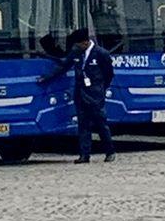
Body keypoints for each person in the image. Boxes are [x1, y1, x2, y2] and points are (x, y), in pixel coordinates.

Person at [40, 28, 115, 163]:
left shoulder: (101, 53)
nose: (76, 47)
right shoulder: (76, 53)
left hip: (96, 94)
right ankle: (84, 155)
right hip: (80, 94)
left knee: (101, 124)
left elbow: (109, 74)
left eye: (78, 44)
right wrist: (46, 77)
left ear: (86, 42)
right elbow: (64, 65)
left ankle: (110, 151)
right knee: (83, 125)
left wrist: (101, 89)